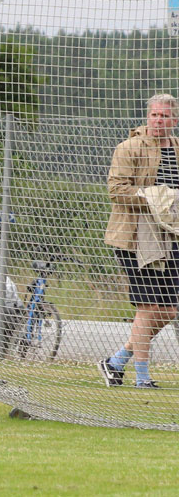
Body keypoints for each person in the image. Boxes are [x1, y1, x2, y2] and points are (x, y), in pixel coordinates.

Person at [100, 93, 179, 388]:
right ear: (148, 117)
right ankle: (142, 378)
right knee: (147, 306)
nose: (158, 121)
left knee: (169, 310)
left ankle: (116, 361)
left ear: (174, 120)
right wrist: (155, 197)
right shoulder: (129, 147)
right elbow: (116, 190)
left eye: (164, 116)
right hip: (134, 237)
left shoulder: (177, 148)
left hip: (169, 237)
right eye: (154, 115)